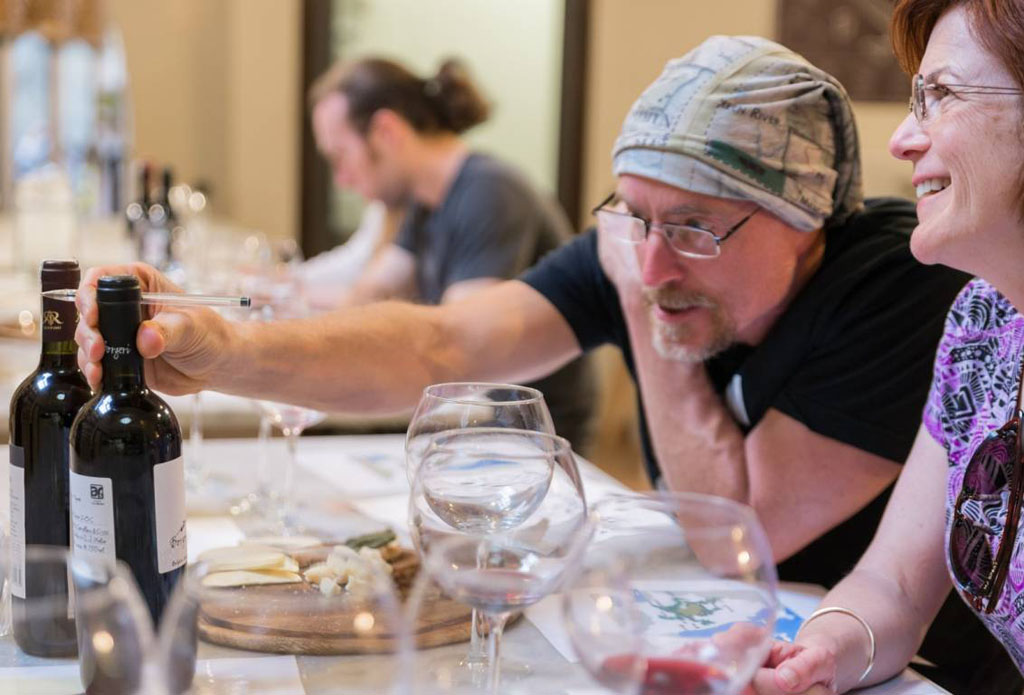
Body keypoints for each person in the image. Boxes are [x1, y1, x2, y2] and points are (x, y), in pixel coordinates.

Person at [76, 36, 991, 683]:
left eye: (693, 227)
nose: (653, 259)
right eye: (635, 216)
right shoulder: (647, 243)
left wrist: (640, 303)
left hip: (918, 670)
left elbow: (741, 525)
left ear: (805, 215)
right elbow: (442, 344)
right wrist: (228, 351)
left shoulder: (904, 279)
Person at [747, 2, 1024, 694]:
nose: (902, 140)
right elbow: (892, 585)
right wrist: (816, 655)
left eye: (942, 96)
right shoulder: (983, 323)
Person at [303, 57, 597, 450]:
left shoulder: (489, 192)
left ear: (386, 131)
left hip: (525, 435)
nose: (342, 179)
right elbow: (370, 294)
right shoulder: (425, 201)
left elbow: (460, 355)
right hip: (472, 418)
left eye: (340, 156)